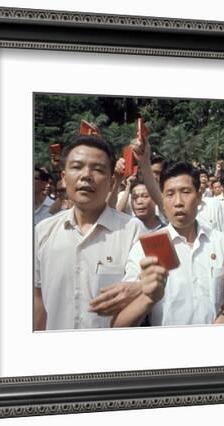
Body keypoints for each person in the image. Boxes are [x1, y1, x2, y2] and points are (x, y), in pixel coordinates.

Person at [34, 136, 145, 330]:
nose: (86, 175)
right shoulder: (43, 231)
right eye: (77, 167)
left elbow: (139, 298)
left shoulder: (133, 231)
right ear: (63, 177)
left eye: (98, 169)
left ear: (112, 181)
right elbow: (39, 301)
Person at [111, 162, 224, 327]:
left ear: (199, 197)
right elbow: (119, 323)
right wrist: (147, 296)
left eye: (185, 192)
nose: (178, 202)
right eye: (170, 194)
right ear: (162, 199)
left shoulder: (221, 242)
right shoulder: (145, 249)